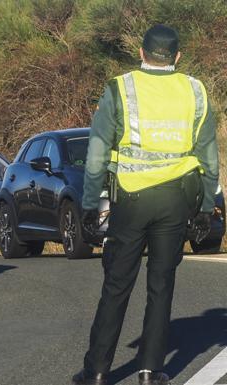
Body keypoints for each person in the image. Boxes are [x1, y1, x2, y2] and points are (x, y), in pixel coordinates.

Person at [72, 25, 219, 385]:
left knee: (117, 284)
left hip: (132, 198)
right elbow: (209, 156)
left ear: (141, 52)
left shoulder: (120, 89)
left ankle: (97, 370)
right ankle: (151, 370)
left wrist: (91, 203)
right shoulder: (195, 91)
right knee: (161, 283)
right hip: (175, 200)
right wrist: (204, 207)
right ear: (178, 57)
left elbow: (96, 153)